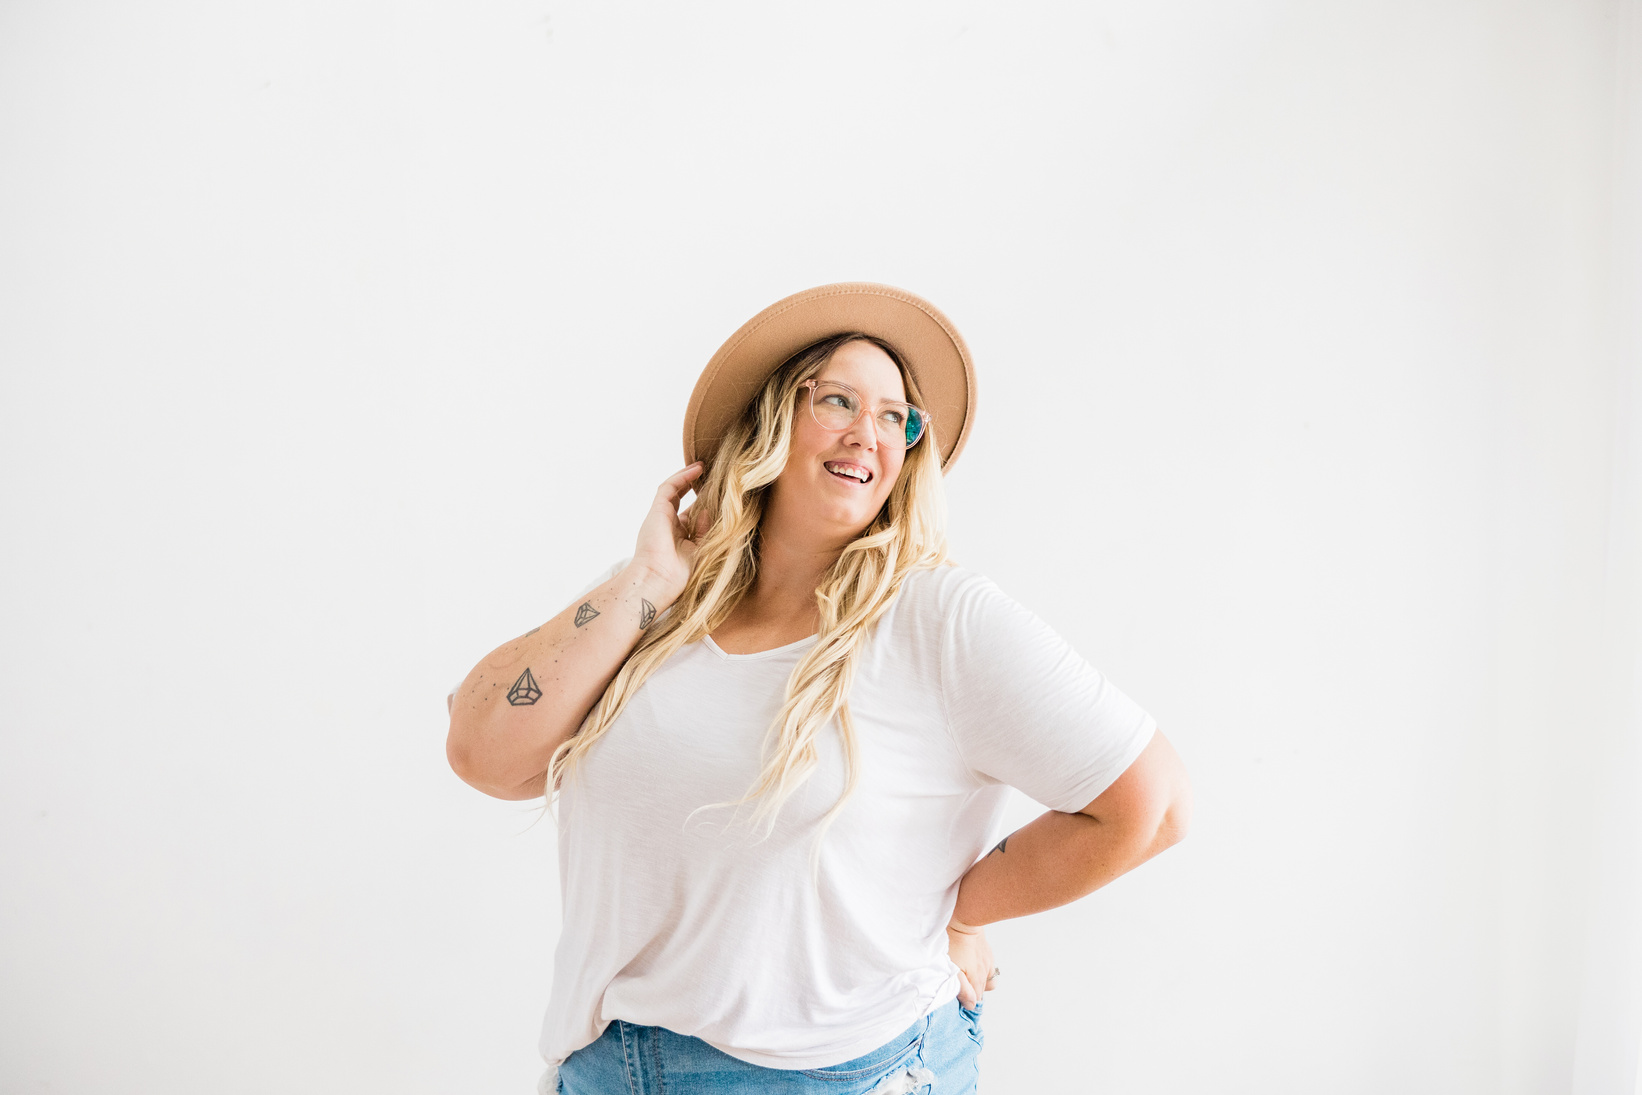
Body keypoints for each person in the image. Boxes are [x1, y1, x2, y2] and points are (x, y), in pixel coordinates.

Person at [445, 283, 1192, 1095]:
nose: (868, 434)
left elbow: (1151, 804)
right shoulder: (657, 601)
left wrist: (958, 912)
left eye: (894, 416)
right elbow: (481, 750)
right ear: (769, 420)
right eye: (838, 399)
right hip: (604, 1071)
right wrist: (647, 578)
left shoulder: (937, 618)